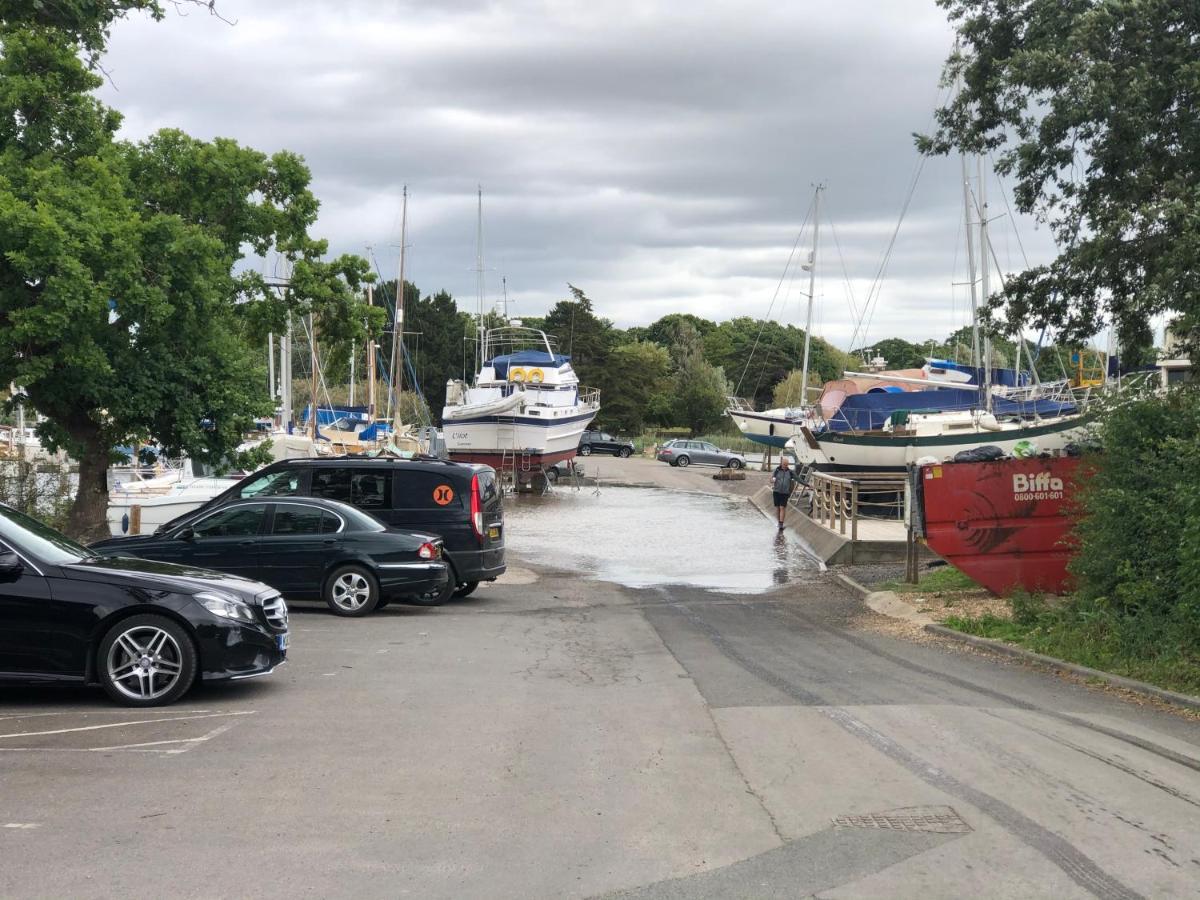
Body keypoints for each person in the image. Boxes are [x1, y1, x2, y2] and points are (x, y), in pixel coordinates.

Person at [770, 456, 796, 531]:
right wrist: (772, 480)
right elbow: (771, 479)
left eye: (787, 465)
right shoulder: (777, 470)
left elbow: (798, 479)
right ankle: (779, 522)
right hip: (776, 491)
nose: (785, 466)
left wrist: (807, 485)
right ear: (781, 464)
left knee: (782, 507)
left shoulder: (790, 472)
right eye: (784, 464)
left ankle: (781, 523)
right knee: (778, 507)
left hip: (785, 492)